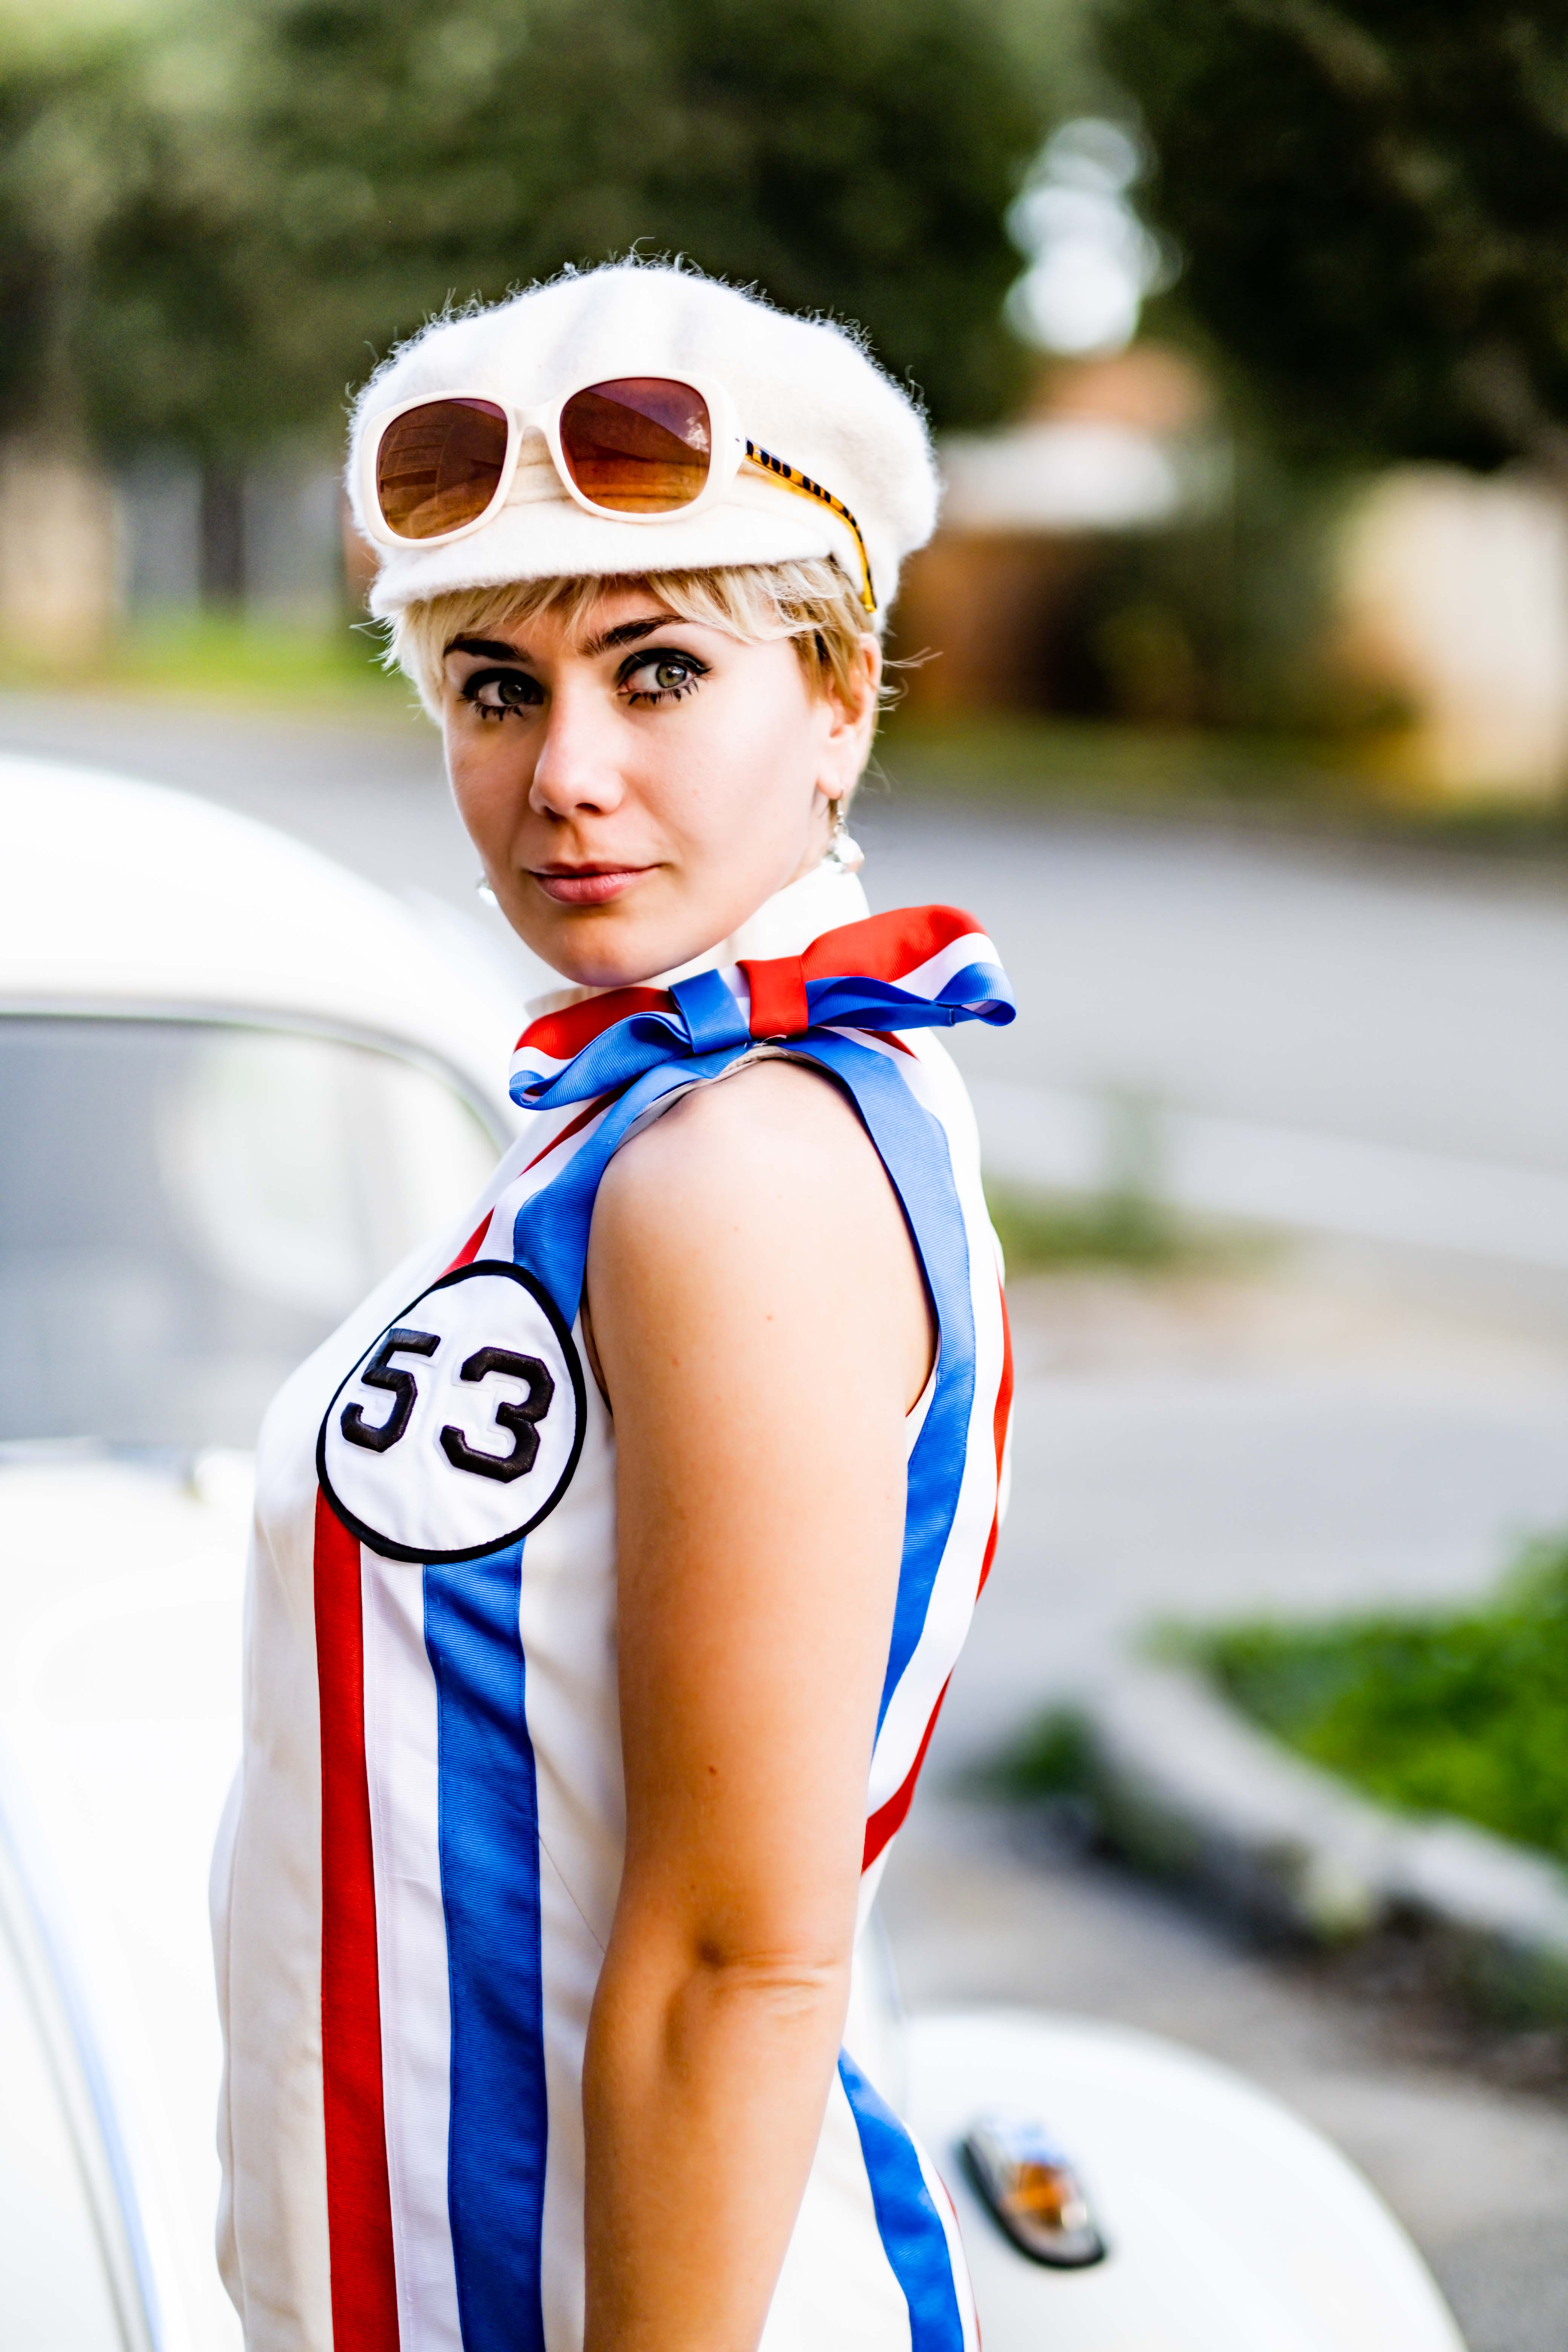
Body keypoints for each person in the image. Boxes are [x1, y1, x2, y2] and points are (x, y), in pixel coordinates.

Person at [211, 260, 1014, 2352]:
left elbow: (746, 1956)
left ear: (839, 698)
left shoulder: (741, 1161)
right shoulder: (661, 1109)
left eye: (657, 670)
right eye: (496, 688)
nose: (565, 771)